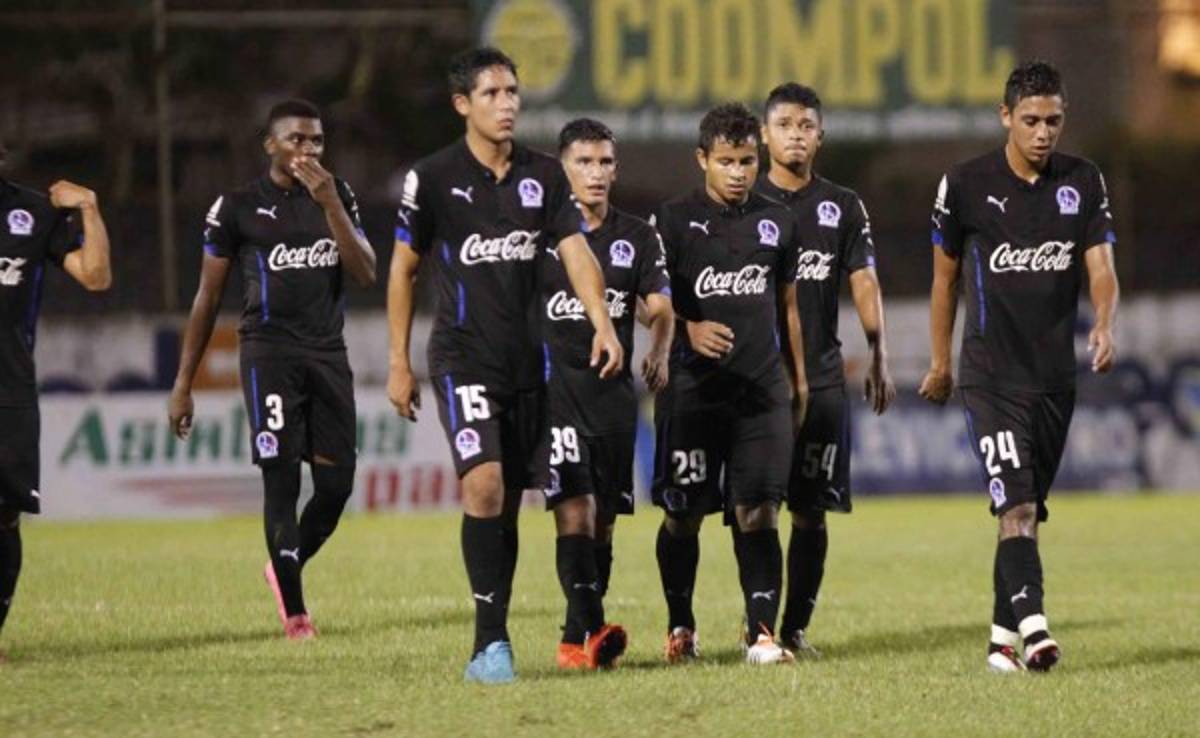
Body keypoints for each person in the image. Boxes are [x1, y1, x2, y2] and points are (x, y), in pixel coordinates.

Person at [386, 48, 622, 684]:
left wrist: (602, 322)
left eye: (513, 91)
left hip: (531, 364)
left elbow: (577, 253)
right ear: (463, 104)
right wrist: (398, 362)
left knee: (520, 499)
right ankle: (489, 645)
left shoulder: (544, 175)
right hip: (463, 357)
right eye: (492, 93)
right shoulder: (432, 178)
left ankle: (555, 633)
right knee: (486, 484)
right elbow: (404, 269)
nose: (507, 103)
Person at [918, 61, 1119, 673]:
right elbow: (944, 281)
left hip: (1055, 379)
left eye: (1053, 121)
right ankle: (1035, 632)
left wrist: (1104, 323)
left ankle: (1001, 642)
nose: (1042, 132)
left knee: (1027, 512)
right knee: (1017, 507)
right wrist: (940, 362)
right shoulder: (965, 184)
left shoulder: (1083, 180)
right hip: (991, 377)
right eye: (1030, 120)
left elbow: (1102, 267)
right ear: (1005, 116)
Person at [168, 99, 377, 641]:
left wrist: (330, 204)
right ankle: (297, 614)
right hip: (269, 355)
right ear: (270, 145)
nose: (308, 150)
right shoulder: (237, 207)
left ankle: (283, 566)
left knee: (336, 488)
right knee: (280, 481)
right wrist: (183, 383)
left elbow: (365, 272)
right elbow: (207, 297)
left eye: (317, 141)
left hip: (328, 354)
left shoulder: (336, 194)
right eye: (296, 140)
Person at [651, 102, 807, 666]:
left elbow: (788, 307)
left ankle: (761, 635)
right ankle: (681, 625)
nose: (738, 172)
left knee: (759, 510)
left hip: (760, 393)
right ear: (702, 159)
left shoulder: (779, 221)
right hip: (692, 394)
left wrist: (799, 380)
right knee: (683, 515)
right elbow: (647, 303)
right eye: (726, 161)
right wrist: (688, 329)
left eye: (746, 161)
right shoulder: (670, 220)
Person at [753, 83, 896, 657]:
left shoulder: (842, 206)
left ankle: (793, 628)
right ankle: (759, 628)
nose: (796, 135)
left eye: (806, 126)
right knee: (755, 509)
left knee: (811, 511)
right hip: (757, 384)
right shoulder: (744, 201)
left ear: (821, 136)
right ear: (764, 134)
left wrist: (878, 349)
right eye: (784, 125)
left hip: (822, 378)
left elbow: (864, 278)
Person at [540, 118, 674, 670]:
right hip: (553, 395)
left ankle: (578, 641)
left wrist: (659, 348)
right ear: (562, 169)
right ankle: (590, 630)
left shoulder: (638, 236)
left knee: (602, 523)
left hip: (612, 398)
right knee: (574, 509)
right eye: (583, 162)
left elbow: (660, 308)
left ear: (616, 170)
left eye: (604, 163)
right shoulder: (540, 238)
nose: (595, 173)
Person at [0, 140, 112, 660]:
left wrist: (88, 206)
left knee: (5, 517)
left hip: (9, 390)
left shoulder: (32, 212)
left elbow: (96, 276)